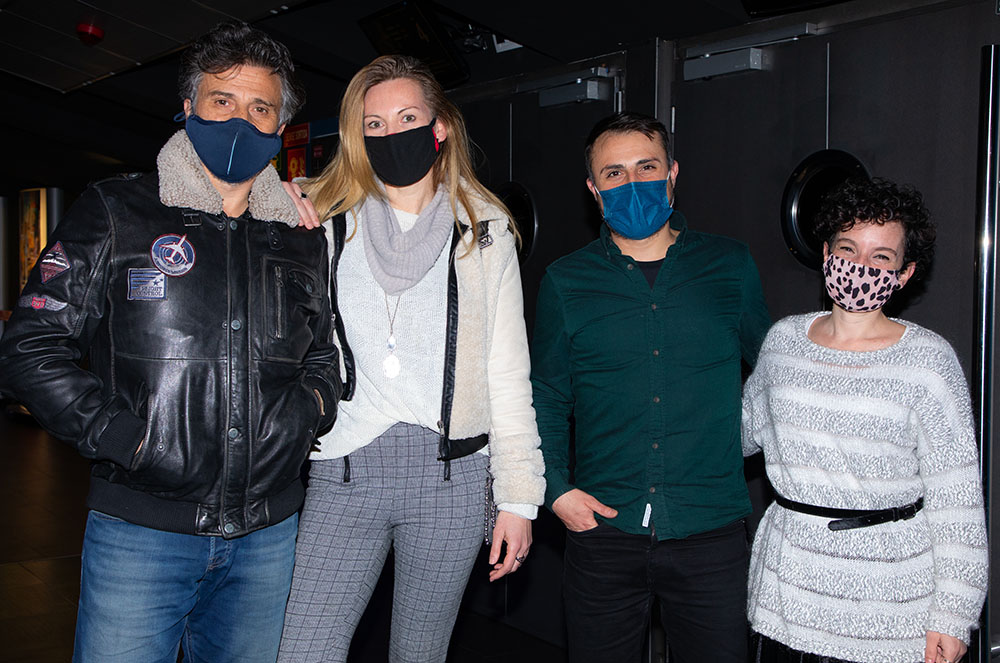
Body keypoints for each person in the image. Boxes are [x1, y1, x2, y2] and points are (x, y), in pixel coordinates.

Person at [0, 21, 342, 663]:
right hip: (141, 532)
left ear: (280, 127)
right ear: (188, 108)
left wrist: (308, 411)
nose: (240, 119)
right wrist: (126, 439)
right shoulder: (117, 210)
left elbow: (322, 354)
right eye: (222, 100)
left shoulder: (301, 237)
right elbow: (30, 349)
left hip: (268, 535)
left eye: (260, 108)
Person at [277, 54, 545, 663]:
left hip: (452, 477)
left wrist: (518, 498)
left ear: (439, 126)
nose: (390, 134)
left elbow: (508, 375)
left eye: (406, 118)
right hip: (344, 466)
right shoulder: (324, 218)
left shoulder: (484, 230)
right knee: (303, 650)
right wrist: (276, 194)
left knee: (419, 655)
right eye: (373, 124)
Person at [530, 111, 771, 663]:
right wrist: (556, 490)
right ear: (594, 190)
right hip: (602, 529)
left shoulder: (729, 265)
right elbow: (547, 396)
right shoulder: (566, 281)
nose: (632, 182)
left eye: (646, 167)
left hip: (710, 529)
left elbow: (775, 373)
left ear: (672, 173)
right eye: (613, 173)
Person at [742, 177, 988, 663]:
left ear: (904, 273)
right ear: (826, 252)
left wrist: (955, 614)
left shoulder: (929, 362)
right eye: (848, 248)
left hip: (889, 609)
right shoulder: (783, 343)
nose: (860, 266)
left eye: (881, 256)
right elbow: (737, 435)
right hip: (784, 598)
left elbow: (957, 499)